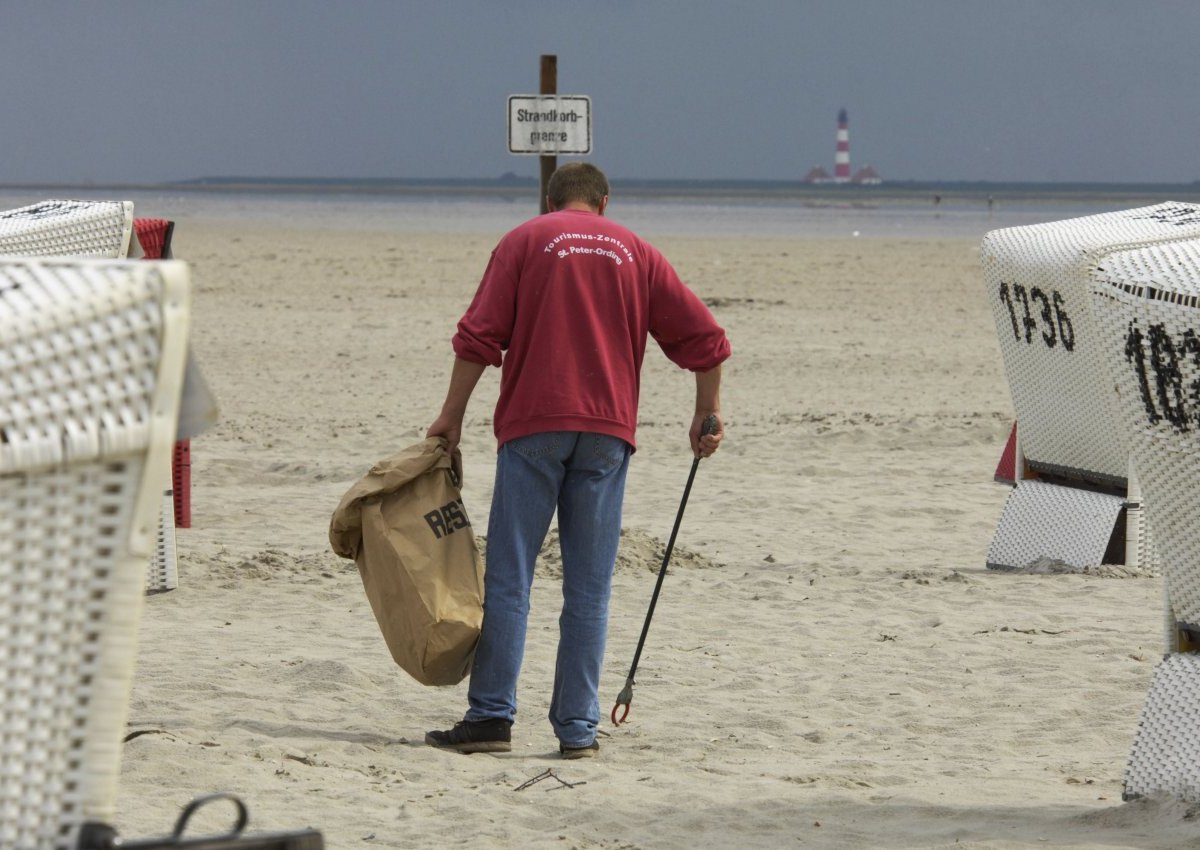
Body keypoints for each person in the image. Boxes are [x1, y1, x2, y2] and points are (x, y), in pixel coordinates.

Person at [424, 162, 731, 759]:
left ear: (550, 201)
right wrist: (706, 411)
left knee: (512, 578)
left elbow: (478, 338)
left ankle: (490, 718)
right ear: (604, 202)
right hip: (606, 433)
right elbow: (707, 341)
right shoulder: (636, 250)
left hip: (533, 426)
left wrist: (451, 416)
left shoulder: (524, 240)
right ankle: (577, 729)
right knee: (589, 589)